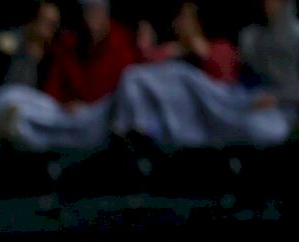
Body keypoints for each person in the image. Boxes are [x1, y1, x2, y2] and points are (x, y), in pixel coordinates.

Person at [112, 2, 290, 148]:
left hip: (227, 107)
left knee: (270, 129)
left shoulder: (221, 47)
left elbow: (224, 82)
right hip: (191, 123)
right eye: (179, 19)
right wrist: (148, 49)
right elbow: (144, 75)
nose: (178, 25)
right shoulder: (175, 52)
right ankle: (139, 130)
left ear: (197, 22)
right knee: (136, 76)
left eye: (184, 19)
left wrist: (199, 50)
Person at [0, 0, 136, 151]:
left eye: (51, 25)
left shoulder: (122, 42)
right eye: (90, 13)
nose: (93, 20)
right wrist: (64, 103)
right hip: (63, 116)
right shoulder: (66, 45)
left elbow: (127, 88)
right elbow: (52, 89)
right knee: (8, 98)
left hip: (104, 118)